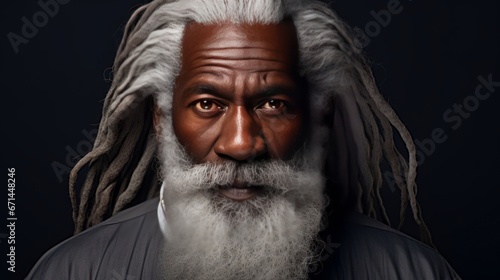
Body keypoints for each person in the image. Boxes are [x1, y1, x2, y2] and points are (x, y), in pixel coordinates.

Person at [27, 0, 461, 279]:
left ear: (316, 116)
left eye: (273, 104)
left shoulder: (411, 272)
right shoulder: (72, 272)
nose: (240, 143)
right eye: (207, 104)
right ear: (161, 119)